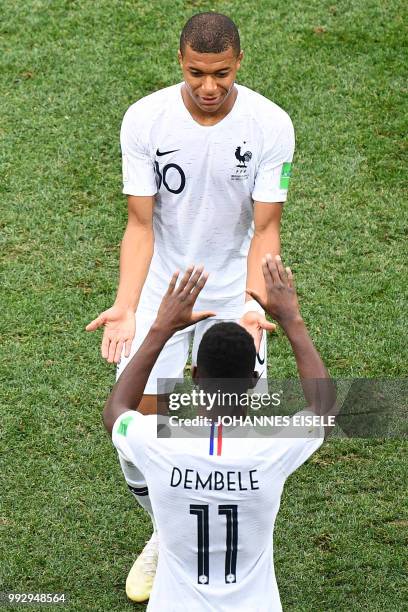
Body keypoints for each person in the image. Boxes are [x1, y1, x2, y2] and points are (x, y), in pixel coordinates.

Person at [87, 10, 295, 602]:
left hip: (232, 300)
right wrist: (129, 306)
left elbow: (266, 229)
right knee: (137, 433)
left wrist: (256, 305)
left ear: (239, 64)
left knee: (227, 432)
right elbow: (139, 222)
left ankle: (235, 541)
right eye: (198, 73)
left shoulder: (270, 125)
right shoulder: (144, 120)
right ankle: (164, 532)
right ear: (180, 61)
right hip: (160, 296)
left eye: (222, 74)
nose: (209, 87)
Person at [103, 255, 337, 610]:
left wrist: (162, 328)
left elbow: (117, 411)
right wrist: (292, 319)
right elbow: (324, 410)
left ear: (195, 374)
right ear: (253, 380)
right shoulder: (271, 448)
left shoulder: (157, 443)